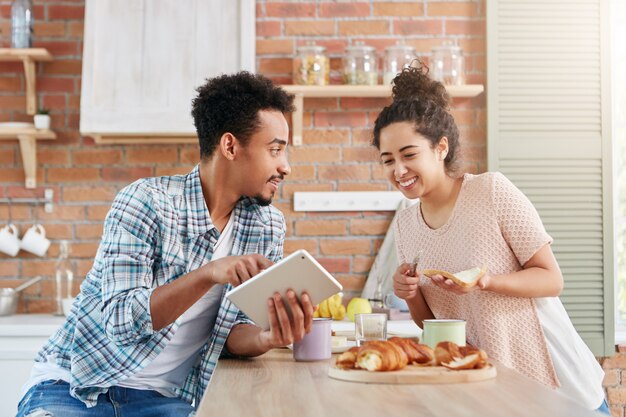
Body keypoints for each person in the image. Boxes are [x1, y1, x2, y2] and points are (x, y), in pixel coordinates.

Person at [16, 71, 314, 417]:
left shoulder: (266, 226)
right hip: (75, 388)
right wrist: (209, 273)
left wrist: (266, 338)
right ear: (230, 146)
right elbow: (123, 321)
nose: (286, 167)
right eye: (275, 150)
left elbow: (231, 332)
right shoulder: (145, 201)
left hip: (162, 401)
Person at [374, 63, 607, 413]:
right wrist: (410, 295)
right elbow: (434, 325)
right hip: (488, 389)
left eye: (409, 155)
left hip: (554, 378)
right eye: (387, 160)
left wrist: (487, 282)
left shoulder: (491, 191)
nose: (399, 170)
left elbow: (551, 279)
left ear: (441, 148)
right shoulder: (406, 223)